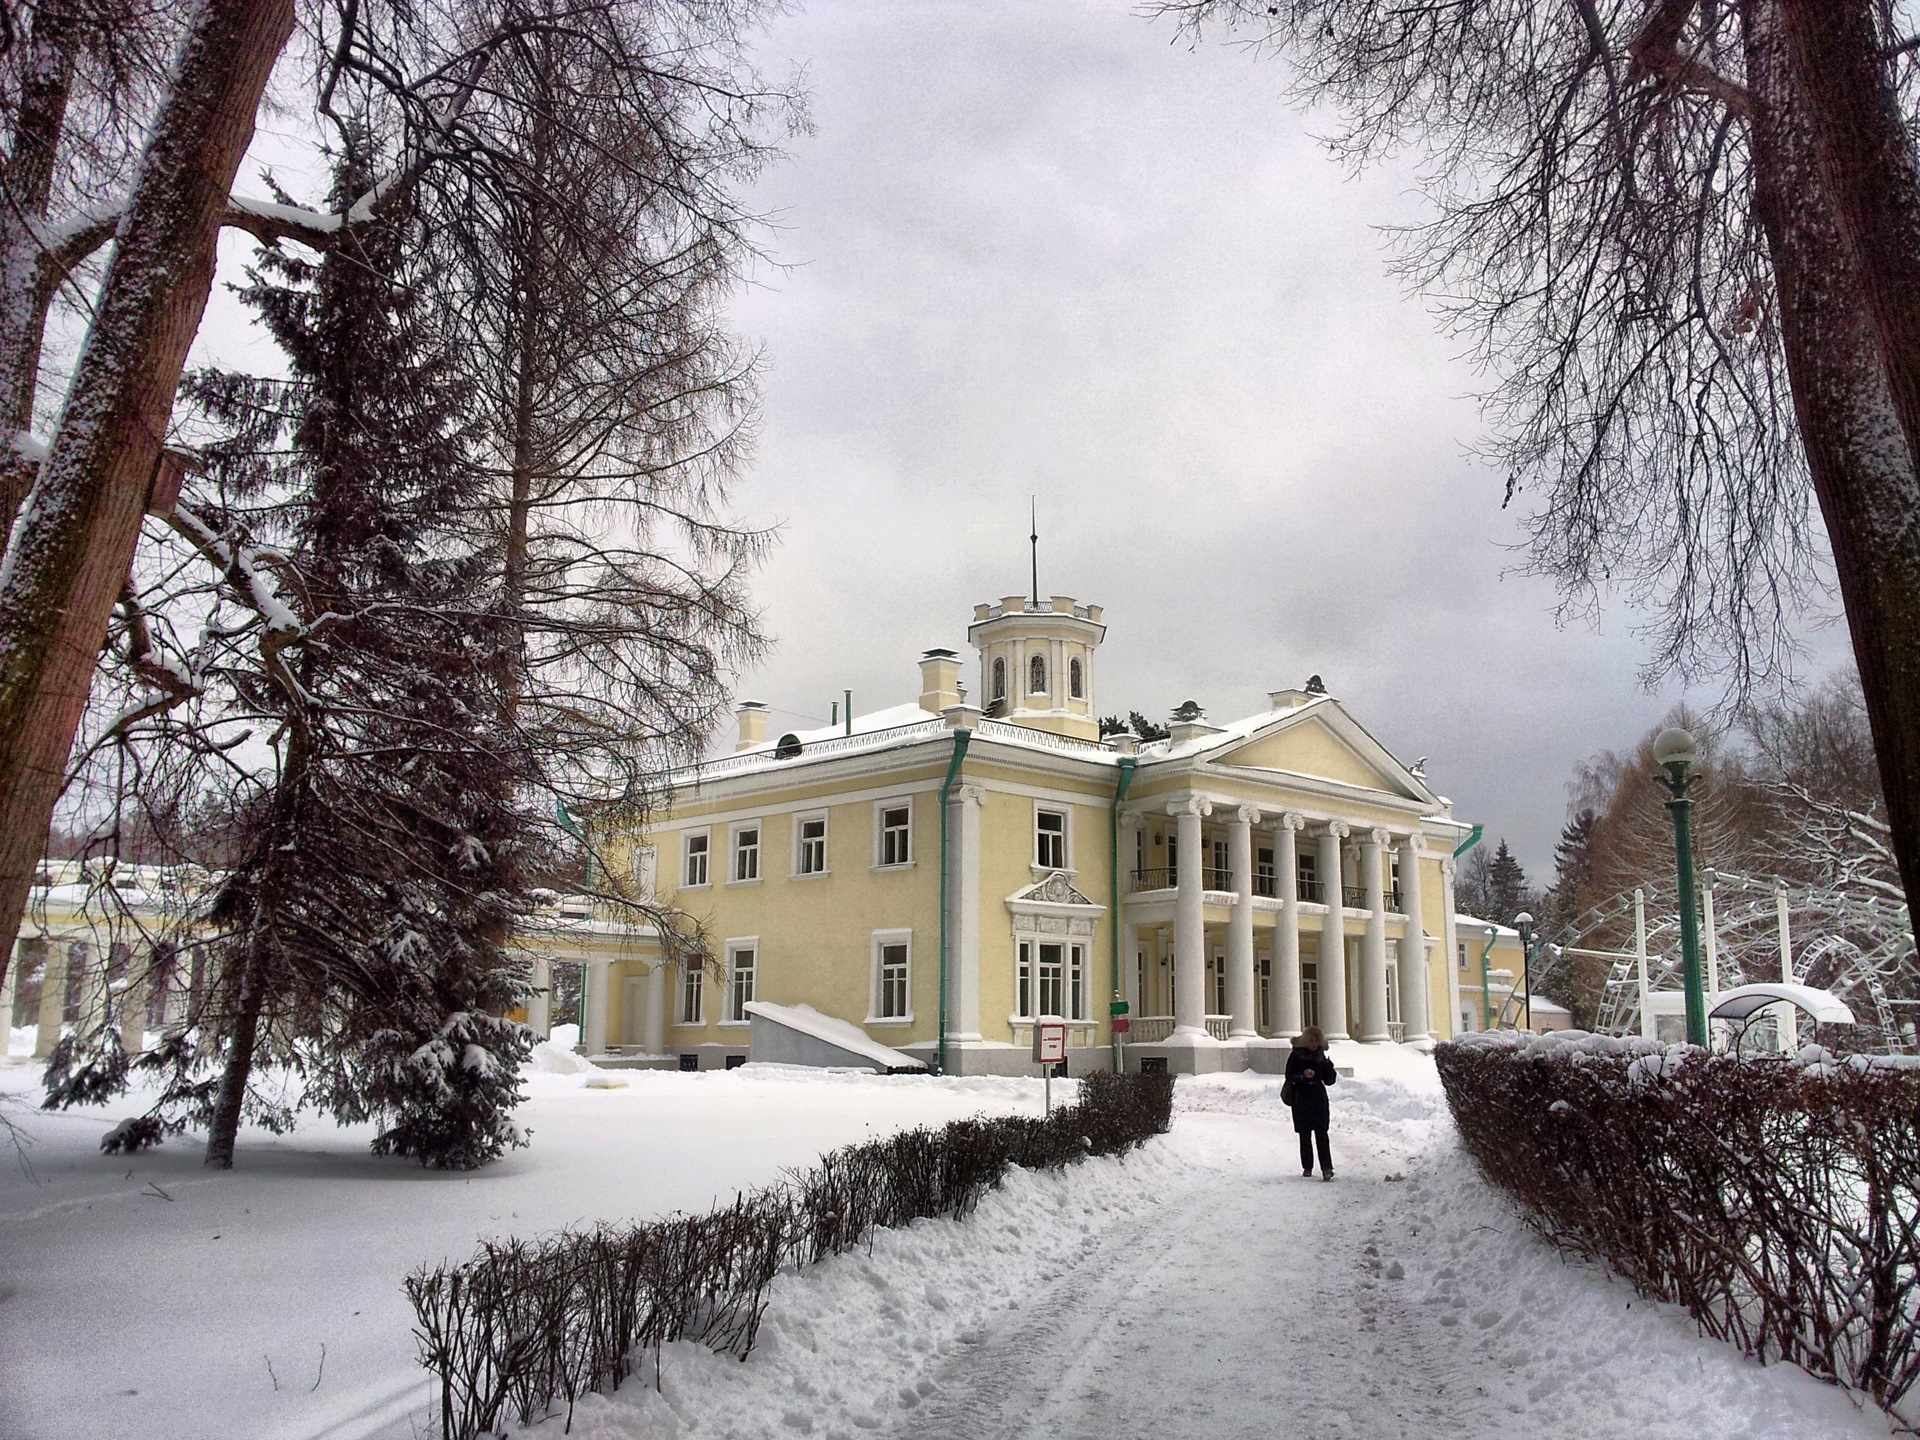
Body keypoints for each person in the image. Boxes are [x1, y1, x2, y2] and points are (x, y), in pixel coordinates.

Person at [1285, 1025, 1337, 1180]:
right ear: (1305, 1041)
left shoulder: (1322, 1057)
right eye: (1311, 1040)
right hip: (1301, 1097)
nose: (1314, 1043)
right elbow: (1289, 1075)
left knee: (1322, 1133)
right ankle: (1307, 1166)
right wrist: (1302, 1075)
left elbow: (1329, 1081)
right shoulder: (1296, 1055)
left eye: (1316, 1040)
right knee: (1305, 1134)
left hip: (1318, 1097)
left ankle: (1326, 1168)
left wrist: (1329, 1069)